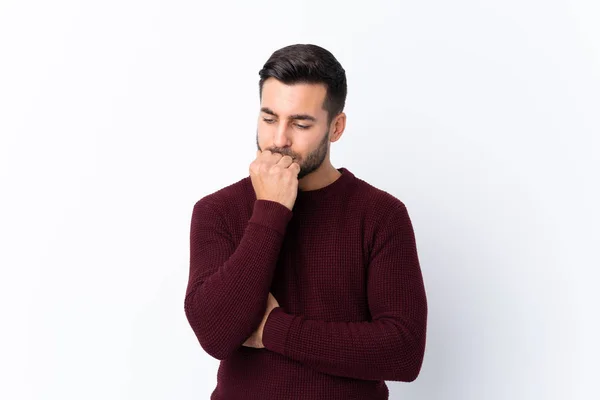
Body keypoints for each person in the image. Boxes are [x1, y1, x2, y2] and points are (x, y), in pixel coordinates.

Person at [184, 43, 428, 400]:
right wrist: (270, 209)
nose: (279, 139)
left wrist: (274, 329)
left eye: (300, 123)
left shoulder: (381, 215)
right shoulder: (217, 211)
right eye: (269, 119)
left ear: (336, 127)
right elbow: (215, 334)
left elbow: (403, 352)